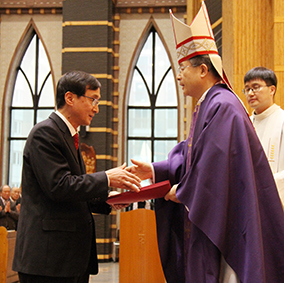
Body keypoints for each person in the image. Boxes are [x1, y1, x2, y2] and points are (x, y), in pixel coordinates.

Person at [127, 2, 284, 282]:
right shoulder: (208, 104)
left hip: (231, 226)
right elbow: (191, 157)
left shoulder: (222, 105)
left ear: (202, 70)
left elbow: (214, 168)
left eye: (183, 68)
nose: (178, 75)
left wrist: (183, 190)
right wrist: (155, 170)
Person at [12, 70, 141, 283]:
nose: (96, 108)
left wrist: (110, 200)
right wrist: (107, 178)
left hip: (67, 258)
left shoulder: (70, 136)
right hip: (48, 259)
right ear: (70, 98)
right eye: (93, 100)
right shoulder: (45, 133)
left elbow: (75, 191)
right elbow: (59, 187)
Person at [243, 67, 284, 204]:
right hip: (248, 199)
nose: (250, 93)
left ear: (272, 90)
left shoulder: (282, 120)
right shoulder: (244, 123)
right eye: (247, 89)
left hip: (275, 200)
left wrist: (263, 187)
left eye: (255, 87)